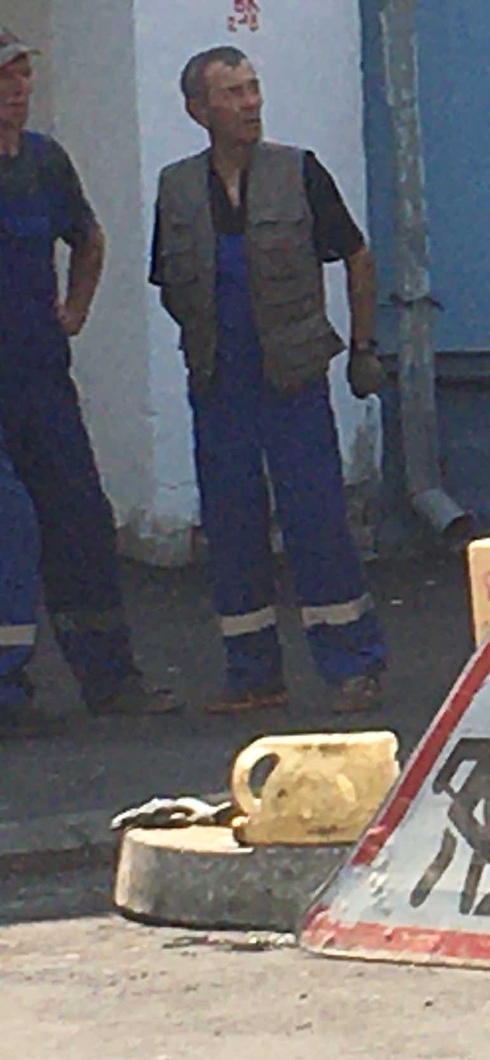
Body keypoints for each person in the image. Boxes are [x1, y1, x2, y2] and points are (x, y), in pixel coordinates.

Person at [151, 47, 388, 713]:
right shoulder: (176, 188)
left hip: (292, 378)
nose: (250, 102)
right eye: (232, 92)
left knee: (316, 519)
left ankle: (355, 663)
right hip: (219, 380)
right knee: (230, 525)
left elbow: (357, 255)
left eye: (253, 88)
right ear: (198, 110)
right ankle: (253, 673)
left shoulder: (299, 172)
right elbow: (169, 279)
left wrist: (363, 345)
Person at [0, 30, 176, 732]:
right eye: (4, 78)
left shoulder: (45, 164)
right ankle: (7, 688)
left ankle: (109, 678)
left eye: (22, 75)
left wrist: (75, 309)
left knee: (79, 520)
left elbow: (89, 238)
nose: (16, 88)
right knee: (9, 525)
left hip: (41, 378)